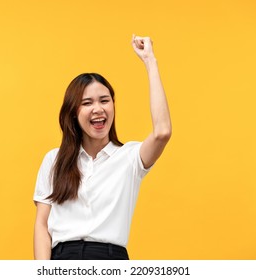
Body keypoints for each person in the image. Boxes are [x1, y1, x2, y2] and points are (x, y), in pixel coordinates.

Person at [33, 34, 172, 260]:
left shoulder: (130, 158)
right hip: (63, 260)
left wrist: (150, 61)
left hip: (110, 261)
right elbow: (41, 224)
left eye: (104, 100)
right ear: (73, 112)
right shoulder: (54, 160)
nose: (98, 108)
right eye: (87, 103)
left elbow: (162, 132)